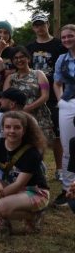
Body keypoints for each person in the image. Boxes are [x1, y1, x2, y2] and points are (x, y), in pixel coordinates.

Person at [0, 110, 49, 234]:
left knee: (1, 205)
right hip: (13, 187)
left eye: (17, 127)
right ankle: (2, 221)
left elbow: (19, 184)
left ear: (24, 130)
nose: (12, 131)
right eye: (8, 127)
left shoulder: (32, 152)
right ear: (2, 128)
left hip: (35, 191)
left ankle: (34, 216)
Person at [26, 13, 65, 182]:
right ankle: (37, 168)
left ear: (48, 24)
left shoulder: (59, 45)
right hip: (35, 94)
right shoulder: (29, 47)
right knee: (34, 133)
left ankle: (60, 169)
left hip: (55, 94)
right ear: (33, 27)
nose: (39, 27)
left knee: (57, 134)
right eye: (36, 24)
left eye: (42, 24)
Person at [54, 24, 75, 205]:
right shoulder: (62, 59)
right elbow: (57, 83)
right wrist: (60, 101)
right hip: (68, 103)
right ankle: (68, 189)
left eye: (70, 36)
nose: (67, 39)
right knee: (67, 147)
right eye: (64, 37)